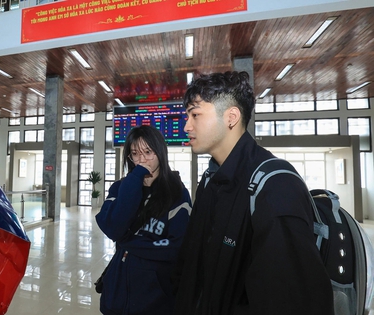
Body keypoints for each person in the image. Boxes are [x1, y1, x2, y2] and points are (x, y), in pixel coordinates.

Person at [171, 71, 333, 314]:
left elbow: (291, 300)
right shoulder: (209, 181)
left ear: (231, 117)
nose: (186, 125)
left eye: (195, 115)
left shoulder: (275, 186)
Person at [95, 125, 192, 315]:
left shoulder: (177, 193)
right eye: (135, 154)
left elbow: (177, 247)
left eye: (148, 152)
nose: (142, 160)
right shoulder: (120, 188)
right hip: (117, 294)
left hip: (155, 298)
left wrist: (127, 242)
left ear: (160, 152)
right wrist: (136, 177)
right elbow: (114, 229)